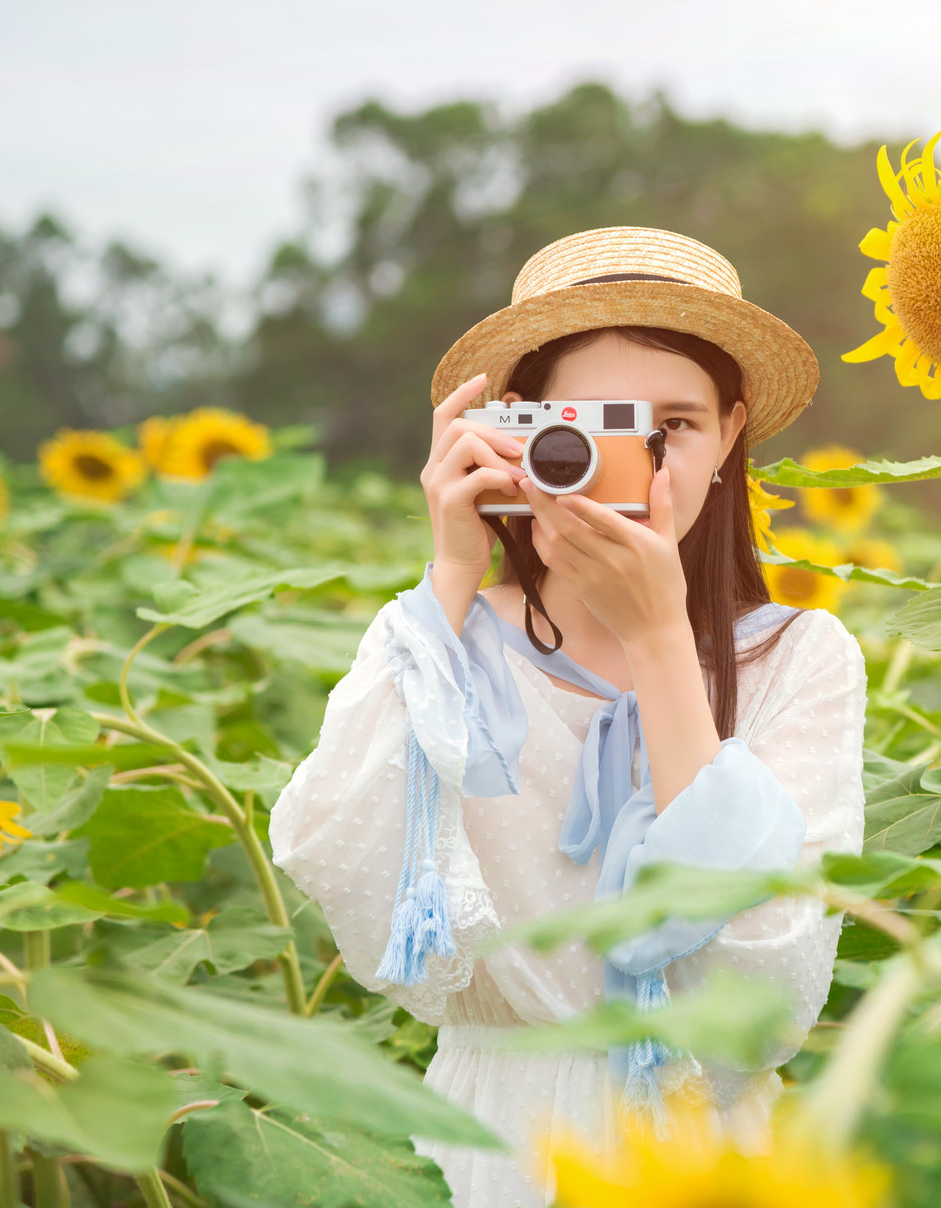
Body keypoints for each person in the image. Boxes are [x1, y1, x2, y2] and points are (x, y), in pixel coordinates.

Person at [268, 226, 868, 1208]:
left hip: (704, 1155)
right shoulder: (436, 643)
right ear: (517, 431)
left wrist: (660, 638)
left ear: (731, 438)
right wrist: (452, 571)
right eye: (589, 427)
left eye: (673, 427)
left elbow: (767, 987)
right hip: (489, 1137)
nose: (635, 463)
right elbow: (348, 876)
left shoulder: (797, 657)